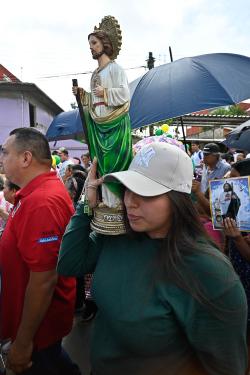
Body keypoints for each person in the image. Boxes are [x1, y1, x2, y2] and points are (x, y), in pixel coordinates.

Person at [58, 142, 247, 375]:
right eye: (127, 189)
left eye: (145, 193)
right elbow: (69, 264)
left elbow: (225, 365)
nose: (130, 201)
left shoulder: (209, 272)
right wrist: (86, 205)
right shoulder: (118, 237)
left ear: (179, 199)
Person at [0, 128, 80, 375]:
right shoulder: (33, 193)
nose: (1, 159)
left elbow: (44, 280)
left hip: (38, 330)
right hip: (37, 326)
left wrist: (23, 343)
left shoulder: (41, 202)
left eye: (5, 152)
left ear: (25, 158)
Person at [72, 16, 132, 208]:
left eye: (94, 43)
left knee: (114, 162)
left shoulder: (115, 69)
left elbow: (124, 94)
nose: (91, 47)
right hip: (98, 125)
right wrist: (84, 95)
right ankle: (106, 201)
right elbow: (94, 101)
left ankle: (118, 204)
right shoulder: (95, 74)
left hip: (114, 125)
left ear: (104, 44)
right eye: (89, 44)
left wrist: (105, 92)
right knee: (102, 163)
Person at [223, 158, 250, 372]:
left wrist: (239, 239)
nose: (230, 182)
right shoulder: (234, 202)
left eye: (235, 178)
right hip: (237, 271)